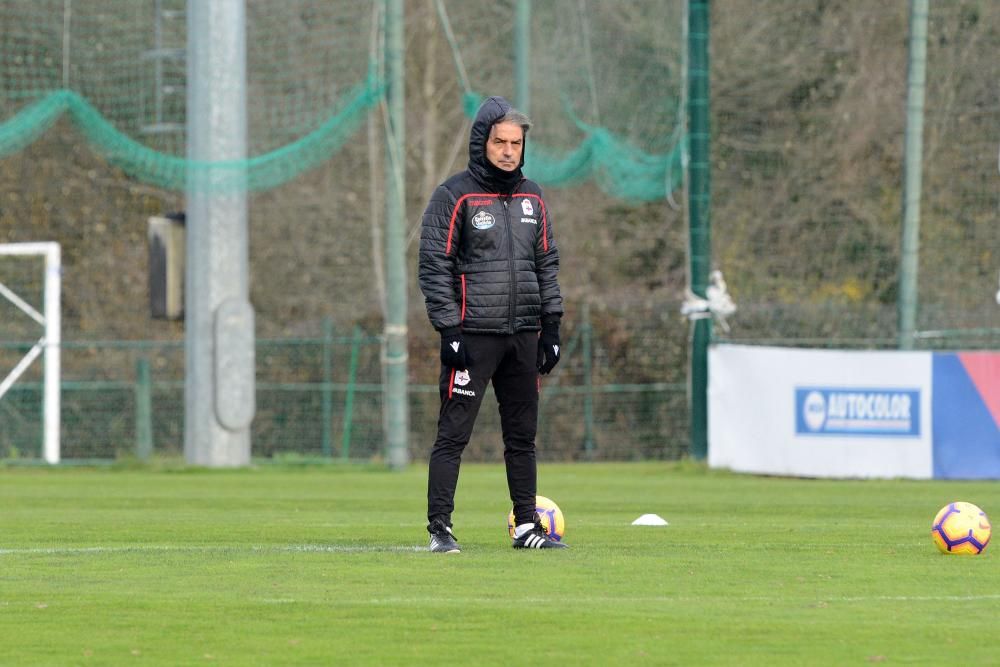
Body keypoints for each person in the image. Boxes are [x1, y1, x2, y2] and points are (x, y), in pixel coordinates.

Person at [418, 96, 567, 552]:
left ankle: (526, 527)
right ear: (482, 143)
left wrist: (552, 327)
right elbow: (433, 265)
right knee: (453, 435)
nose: (508, 150)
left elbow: (547, 262)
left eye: (515, 143)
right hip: (472, 336)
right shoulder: (453, 195)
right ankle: (440, 530)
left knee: (522, 438)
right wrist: (449, 331)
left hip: (523, 335)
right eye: (499, 141)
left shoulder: (533, 197)